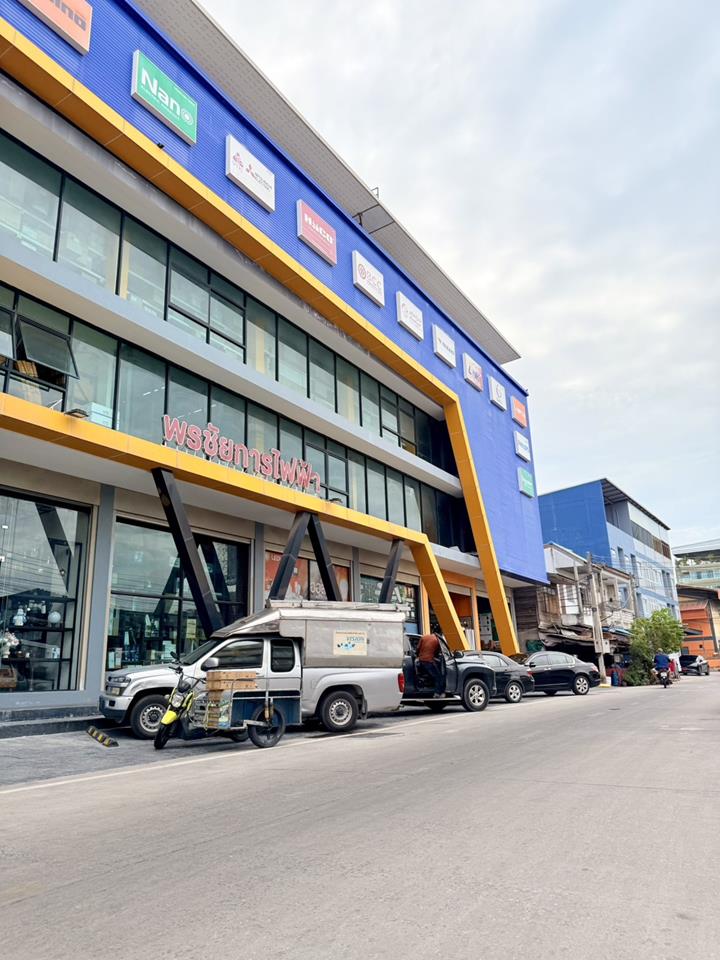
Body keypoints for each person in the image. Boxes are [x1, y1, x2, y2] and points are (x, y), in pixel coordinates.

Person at [416, 633, 444, 697]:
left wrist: (418, 656)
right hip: (428, 661)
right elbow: (437, 653)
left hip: (421, 660)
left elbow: (417, 649)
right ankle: (437, 693)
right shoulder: (437, 640)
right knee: (438, 676)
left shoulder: (424, 637)